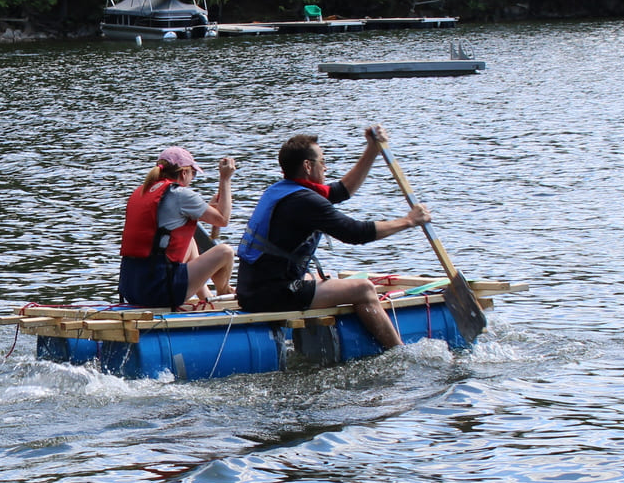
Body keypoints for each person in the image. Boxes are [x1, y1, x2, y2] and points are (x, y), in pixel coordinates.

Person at [233, 125, 430, 349]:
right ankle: (398, 351)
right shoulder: (304, 201)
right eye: (322, 162)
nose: (326, 168)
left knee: (317, 278)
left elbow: (341, 191)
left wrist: (372, 150)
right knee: (364, 289)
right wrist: (409, 221)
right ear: (308, 166)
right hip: (270, 294)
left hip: (253, 289)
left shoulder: (282, 190)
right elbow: (355, 233)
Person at [118, 147, 237, 309]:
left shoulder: (142, 191)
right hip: (159, 293)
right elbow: (223, 219)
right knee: (226, 252)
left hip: (131, 289)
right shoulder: (180, 194)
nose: (192, 178)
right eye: (193, 174)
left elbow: (171, 229)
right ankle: (223, 296)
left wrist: (206, 208)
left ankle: (207, 297)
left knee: (189, 241)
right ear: (183, 173)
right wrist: (225, 179)